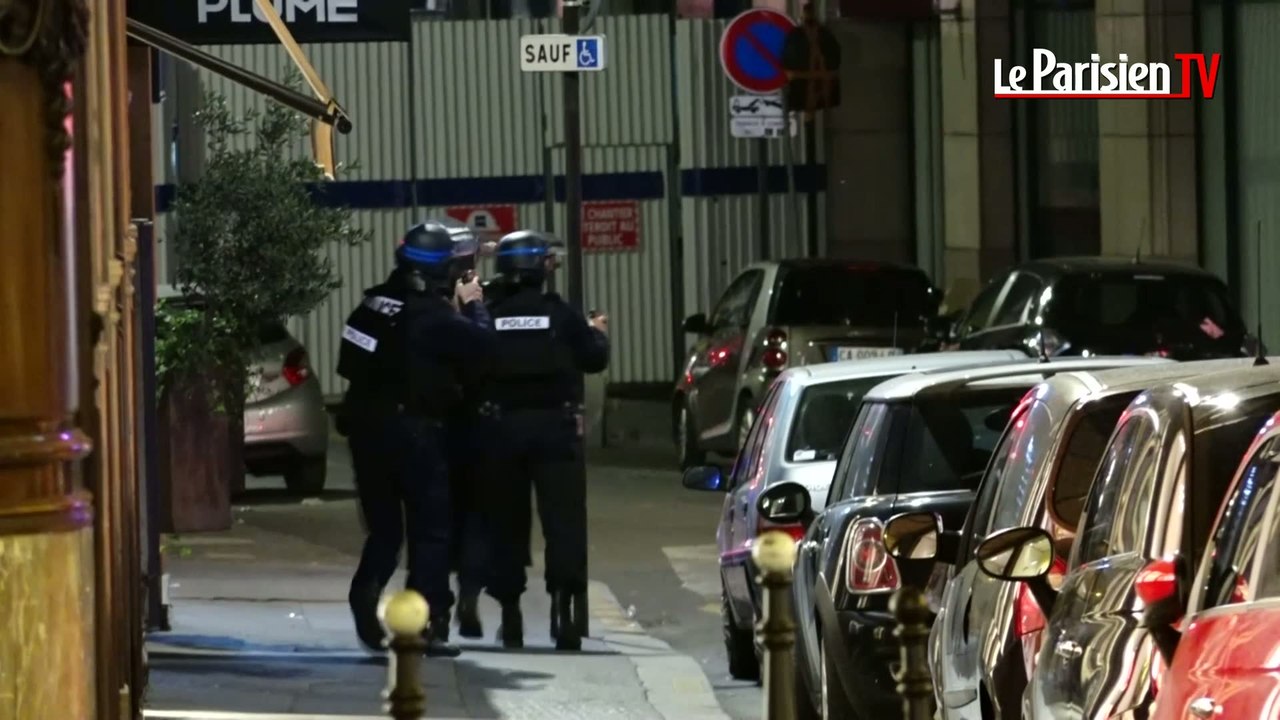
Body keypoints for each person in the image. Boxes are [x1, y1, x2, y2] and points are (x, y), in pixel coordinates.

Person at [335, 219, 496, 657]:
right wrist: (473, 304)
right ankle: (421, 628)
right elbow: (484, 350)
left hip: (367, 431)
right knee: (430, 533)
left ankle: (365, 591)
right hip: (416, 433)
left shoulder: (373, 303)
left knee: (385, 530)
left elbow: (347, 362)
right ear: (442, 270)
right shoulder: (434, 315)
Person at [484, 230, 609, 651]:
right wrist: (599, 331)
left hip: (501, 432)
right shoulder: (560, 315)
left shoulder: (490, 313)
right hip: (556, 430)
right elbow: (594, 358)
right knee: (564, 523)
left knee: (506, 523)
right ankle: (564, 613)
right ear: (540, 267)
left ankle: (511, 617)